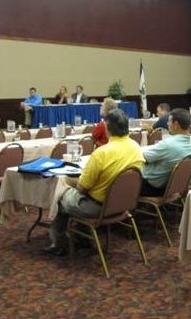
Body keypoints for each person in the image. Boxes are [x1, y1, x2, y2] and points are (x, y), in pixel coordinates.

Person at [44, 109, 145, 255]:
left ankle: (59, 243)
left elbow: (82, 189)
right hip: (123, 205)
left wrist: (69, 181)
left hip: (99, 207)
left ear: (107, 128)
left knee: (60, 196)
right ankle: (82, 237)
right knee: (81, 195)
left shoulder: (102, 153)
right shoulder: (136, 147)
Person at [141, 108, 191, 196]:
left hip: (153, 187)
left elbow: (143, 158)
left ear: (176, 124)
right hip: (172, 186)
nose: (167, 123)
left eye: (169, 121)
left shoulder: (168, 144)